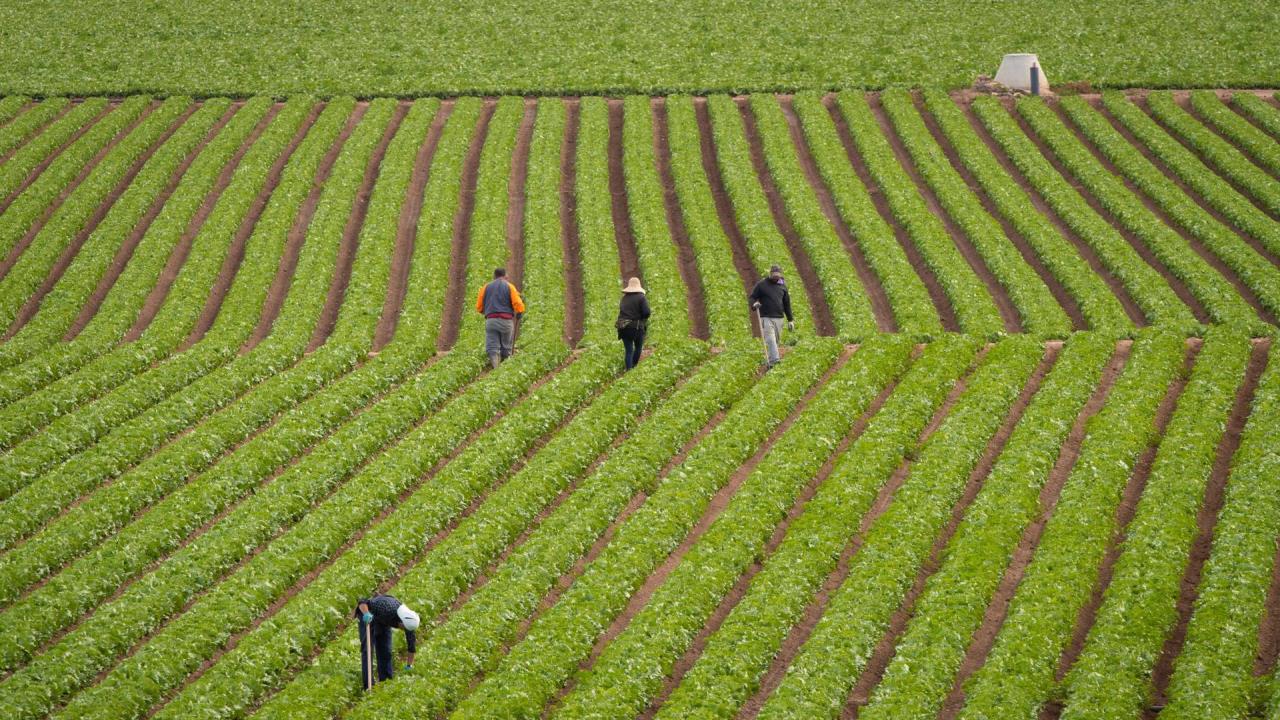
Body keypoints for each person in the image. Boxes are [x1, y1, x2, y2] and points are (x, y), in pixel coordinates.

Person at [355, 594, 419, 689]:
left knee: (385, 650)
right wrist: (366, 613)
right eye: (403, 627)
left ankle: (386, 683)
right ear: (401, 622)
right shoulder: (387, 608)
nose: (404, 629)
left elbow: (411, 646)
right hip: (369, 614)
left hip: (383, 620)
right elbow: (362, 601)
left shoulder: (409, 623)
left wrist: (409, 665)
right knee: (367, 650)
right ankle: (368, 686)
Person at [475, 268, 525, 369]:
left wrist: (486, 312)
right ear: (505, 275)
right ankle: (505, 369)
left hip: (491, 321)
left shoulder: (486, 287)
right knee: (506, 347)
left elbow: (479, 306)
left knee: (492, 346)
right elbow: (517, 302)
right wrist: (519, 311)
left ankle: (495, 367)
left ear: (494, 276)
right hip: (506, 321)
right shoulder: (509, 286)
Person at [749, 264, 795, 368]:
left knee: (776, 341)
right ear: (770, 274)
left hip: (779, 318)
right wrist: (754, 304)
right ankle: (775, 361)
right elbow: (752, 297)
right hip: (766, 317)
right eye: (774, 275)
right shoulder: (762, 285)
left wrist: (790, 320)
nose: (776, 277)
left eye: (777, 276)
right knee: (770, 339)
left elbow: (787, 303)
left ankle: (770, 361)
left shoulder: (782, 286)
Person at [616, 277, 651, 370]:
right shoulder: (641, 297)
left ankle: (628, 370)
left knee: (628, 350)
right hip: (636, 327)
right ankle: (634, 366)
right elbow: (647, 312)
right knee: (638, 347)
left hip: (623, 327)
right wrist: (643, 319)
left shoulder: (624, 298)